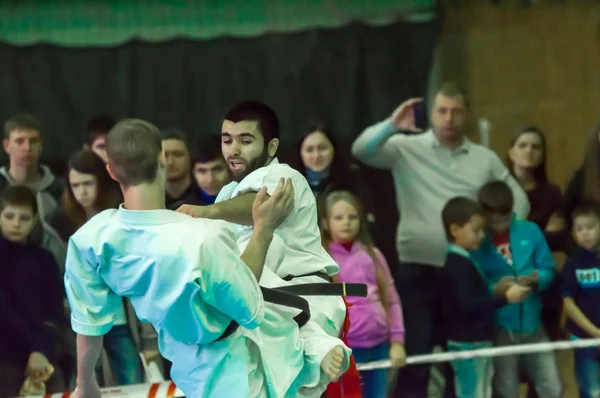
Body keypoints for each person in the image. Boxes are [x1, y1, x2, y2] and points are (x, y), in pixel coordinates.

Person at [64, 119, 345, 398]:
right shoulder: (201, 238)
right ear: (162, 160)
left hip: (186, 364)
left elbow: (89, 321)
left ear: (111, 171)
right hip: (236, 371)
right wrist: (263, 230)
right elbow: (248, 307)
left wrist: (85, 382)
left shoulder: (91, 239)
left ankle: (314, 343)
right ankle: (314, 343)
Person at [351, 82, 530, 398]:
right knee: (417, 353)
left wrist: (494, 237)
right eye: (442, 110)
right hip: (416, 266)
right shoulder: (406, 147)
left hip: (464, 270)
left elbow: (519, 202)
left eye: (456, 111)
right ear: (432, 113)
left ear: (466, 114)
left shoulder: (483, 158)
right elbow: (361, 150)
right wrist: (393, 125)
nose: (449, 118)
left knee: (458, 355)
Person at [48, 150, 145, 386]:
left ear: (101, 182)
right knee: (87, 382)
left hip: (121, 317)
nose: (81, 191)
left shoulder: (122, 214)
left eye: (87, 183)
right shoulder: (60, 222)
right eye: (75, 185)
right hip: (81, 317)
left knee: (132, 382)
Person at [470, 181, 562, 398]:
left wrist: (537, 278)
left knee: (553, 386)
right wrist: (496, 289)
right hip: (500, 326)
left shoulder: (530, 230)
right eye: (494, 220)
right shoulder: (477, 241)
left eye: (506, 217)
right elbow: (473, 285)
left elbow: (548, 268)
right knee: (506, 388)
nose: (501, 224)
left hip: (533, 322)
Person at [441, 196, 530, 398]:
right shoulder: (457, 264)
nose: (482, 236)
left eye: (483, 230)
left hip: (476, 342)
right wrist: (505, 298)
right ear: (455, 230)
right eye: (476, 230)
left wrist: (493, 290)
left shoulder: (464, 260)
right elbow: (467, 305)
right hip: (468, 345)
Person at [320, 190, 406, 397]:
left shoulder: (373, 255)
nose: (346, 223)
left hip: (380, 346)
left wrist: (397, 341)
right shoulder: (322, 261)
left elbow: (392, 300)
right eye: (338, 218)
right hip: (344, 352)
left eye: (352, 217)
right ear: (325, 223)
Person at [0, 185, 68, 397]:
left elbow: (55, 310)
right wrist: (36, 348)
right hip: (6, 357)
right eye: (9, 216)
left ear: (35, 220)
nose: (16, 224)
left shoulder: (44, 259)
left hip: (44, 355)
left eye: (24, 218)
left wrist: (41, 350)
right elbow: (4, 312)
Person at [0, 113, 67, 265]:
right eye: (19, 141)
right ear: (6, 145)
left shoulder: (59, 190)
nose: (27, 147)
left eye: (33, 141)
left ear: (41, 145)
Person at [561, 205, 600, 398]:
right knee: (591, 390)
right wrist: (595, 333)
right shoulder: (573, 261)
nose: (585, 233)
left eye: (590, 227)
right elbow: (568, 303)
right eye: (579, 229)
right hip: (584, 339)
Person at [162, 130, 206, 210]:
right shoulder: (148, 200)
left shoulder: (207, 195)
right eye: (165, 155)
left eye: (178, 154)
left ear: (190, 157)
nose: (170, 162)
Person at [191, 134, 231, 205]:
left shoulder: (248, 200)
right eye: (202, 171)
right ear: (193, 172)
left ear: (230, 168)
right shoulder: (183, 206)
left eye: (217, 169)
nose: (210, 180)